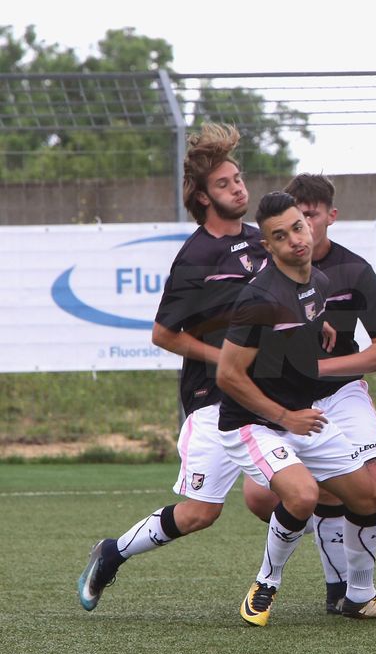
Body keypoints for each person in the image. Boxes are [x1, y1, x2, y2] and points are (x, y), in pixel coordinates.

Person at [216, 191, 376, 627]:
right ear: (267, 246)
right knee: (303, 494)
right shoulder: (258, 298)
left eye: (298, 227)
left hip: (301, 414)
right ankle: (265, 583)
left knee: (367, 496)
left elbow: (302, 317)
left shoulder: (319, 284)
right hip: (254, 423)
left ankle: (358, 597)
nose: (295, 239)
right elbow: (228, 376)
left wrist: (315, 324)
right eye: (280, 235)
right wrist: (286, 417)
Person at [78, 123, 268, 612]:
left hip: (269, 396)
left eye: (239, 178)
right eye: (224, 184)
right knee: (200, 513)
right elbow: (163, 334)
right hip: (214, 400)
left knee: (300, 488)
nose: (238, 188)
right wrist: (223, 358)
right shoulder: (195, 257)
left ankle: (343, 590)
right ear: (203, 198)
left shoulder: (261, 241)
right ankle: (111, 553)